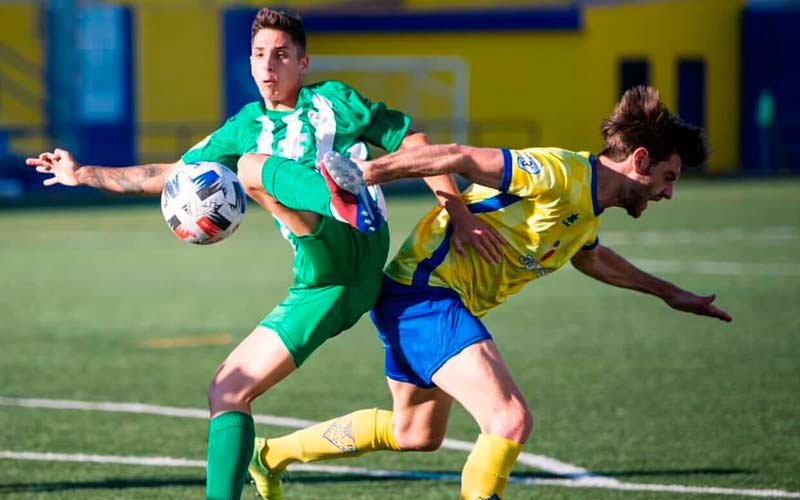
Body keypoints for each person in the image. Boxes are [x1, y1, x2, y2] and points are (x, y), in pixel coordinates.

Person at [24, 8, 503, 500]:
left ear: (303, 63)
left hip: (357, 244)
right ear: (250, 64)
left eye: (280, 56)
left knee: (252, 167)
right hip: (325, 281)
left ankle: (342, 200)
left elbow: (415, 143)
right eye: (259, 56)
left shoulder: (333, 101)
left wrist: (458, 213)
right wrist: (83, 174)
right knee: (228, 391)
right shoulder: (244, 125)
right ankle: (253, 466)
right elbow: (172, 173)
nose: (268, 67)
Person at [246, 85, 733, 500]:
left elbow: (589, 254)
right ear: (640, 160)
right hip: (425, 293)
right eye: (668, 178)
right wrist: (365, 175)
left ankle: (270, 454)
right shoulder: (561, 174)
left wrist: (669, 292)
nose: (668, 193)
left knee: (414, 432)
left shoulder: (588, 208)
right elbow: (459, 156)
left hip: (424, 300)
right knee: (509, 419)